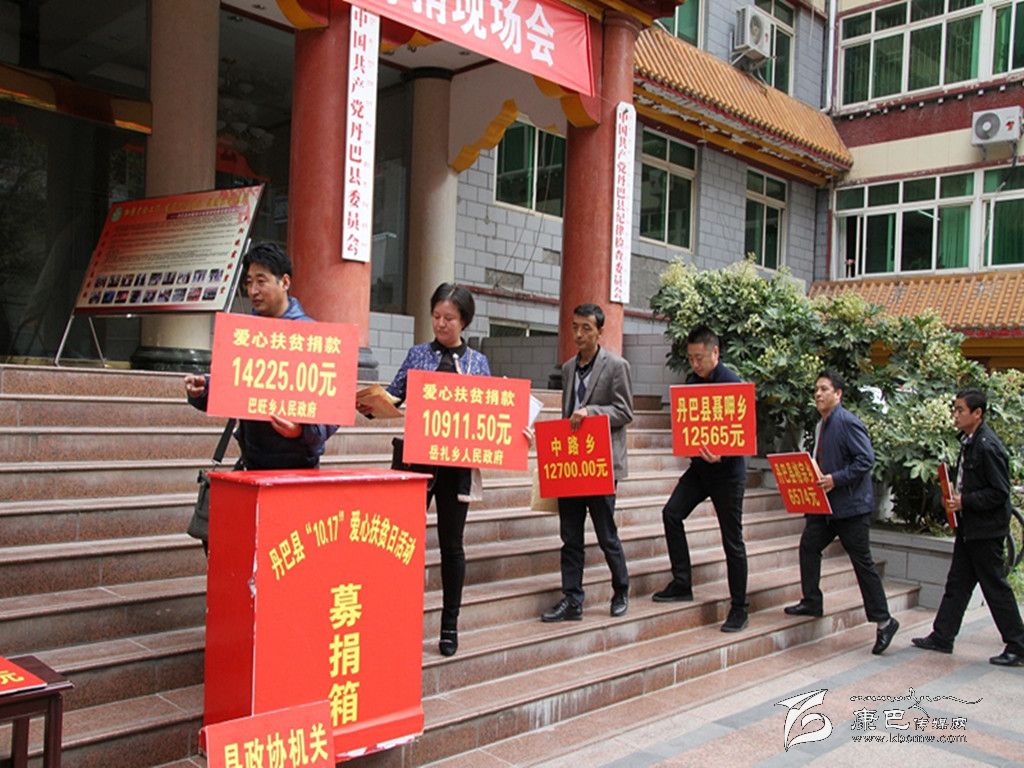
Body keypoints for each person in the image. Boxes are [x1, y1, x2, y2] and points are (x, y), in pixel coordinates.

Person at [184, 242, 337, 552]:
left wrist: (301, 430)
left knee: (286, 557)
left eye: (261, 281)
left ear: (285, 282)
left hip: (296, 472)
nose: (253, 290)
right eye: (249, 282)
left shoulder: (311, 336)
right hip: (251, 465)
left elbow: (330, 413)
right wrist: (204, 389)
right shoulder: (245, 333)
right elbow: (233, 385)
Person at [376, 283, 491, 658]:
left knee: (452, 547)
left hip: (456, 467)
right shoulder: (418, 354)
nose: (441, 324)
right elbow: (395, 394)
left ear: (464, 321)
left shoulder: (477, 364)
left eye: (449, 318)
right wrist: (375, 402)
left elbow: (490, 414)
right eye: (436, 317)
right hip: (416, 463)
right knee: (402, 543)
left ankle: (449, 626)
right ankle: (396, 621)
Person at [784, 370, 899, 655]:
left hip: (850, 507)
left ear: (838, 394)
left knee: (862, 563)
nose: (818, 394)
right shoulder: (821, 425)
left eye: (824, 389)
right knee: (809, 546)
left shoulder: (847, 422)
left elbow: (866, 460)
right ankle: (812, 601)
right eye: (816, 389)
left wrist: (835, 479)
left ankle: (885, 622)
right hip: (825, 506)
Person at [912, 389, 1024, 667]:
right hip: (969, 528)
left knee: (994, 586)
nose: (956, 414)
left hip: (986, 531)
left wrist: (965, 501)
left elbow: (1000, 492)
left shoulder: (988, 446)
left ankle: (1018, 645)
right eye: (955, 409)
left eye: (961, 410)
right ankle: (942, 636)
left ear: (977, 413)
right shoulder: (969, 441)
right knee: (958, 583)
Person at [653, 326, 749, 633]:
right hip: (699, 471)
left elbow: (745, 433)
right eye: (691, 358)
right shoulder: (692, 383)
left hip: (728, 474)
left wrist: (724, 454)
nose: (694, 364)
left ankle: (739, 607)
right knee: (671, 514)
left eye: (699, 358)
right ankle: (682, 582)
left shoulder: (732, 384)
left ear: (715, 353)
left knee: (732, 541)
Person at [541, 304, 632, 623]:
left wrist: (591, 412)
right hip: (572, 464)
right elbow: (567, 417)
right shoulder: (568, 368)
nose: (579, 334)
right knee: (570, 536)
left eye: (586, 329)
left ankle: (621, 589)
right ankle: (572, 599)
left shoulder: (616, 366)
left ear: (600, 332)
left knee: (606, 533)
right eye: (575, 327)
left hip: (601, 464)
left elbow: (625, 411)